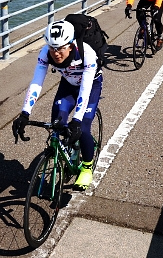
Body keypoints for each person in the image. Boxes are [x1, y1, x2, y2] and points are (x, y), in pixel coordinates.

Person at [12, 20, 102, 190]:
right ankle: (70, 150)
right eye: (52, 48)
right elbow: (36, 83)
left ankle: (87, 167)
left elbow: (85, 88)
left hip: (91, 86)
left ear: (70, 45)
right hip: (68, 86)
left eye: (60, 48)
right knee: (57, 124)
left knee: (82, 128)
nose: (56, 53)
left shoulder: (86, 54)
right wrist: (25, 113)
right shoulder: (45, 53)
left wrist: (76, 119)